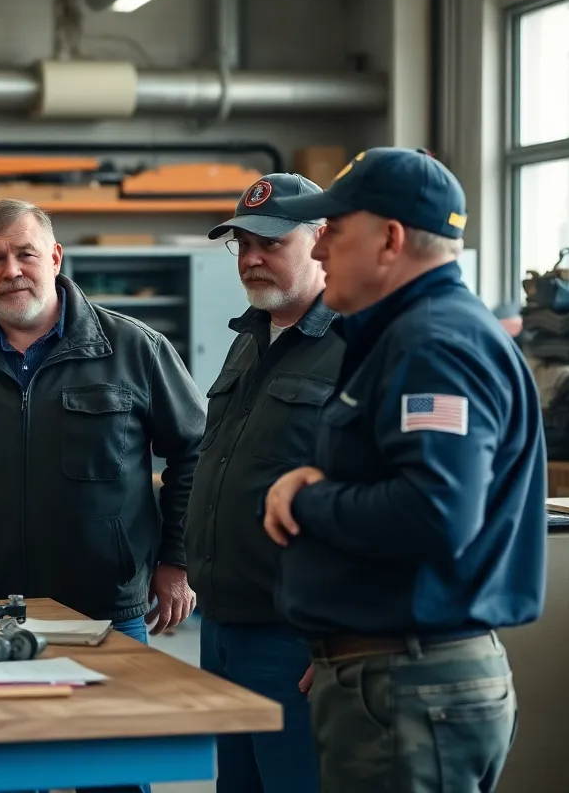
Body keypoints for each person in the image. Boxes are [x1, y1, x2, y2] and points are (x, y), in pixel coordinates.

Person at [261, 148, 546, 792]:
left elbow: (435, 512)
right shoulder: (405, 337)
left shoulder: (435, 347)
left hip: (410, 685)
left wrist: (308, 499)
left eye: (335, 228)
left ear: (390, 239)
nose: (320, 247)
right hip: (397, 681)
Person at [0, 198, 202, 641]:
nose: (11, 271)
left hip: (104, 605)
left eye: (25, 254)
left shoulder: (135, 349)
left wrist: (176, 560)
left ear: (53, 258)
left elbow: (196, 453)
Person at [184, 172, 341, 793]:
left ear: (320, 238)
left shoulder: (356, 347)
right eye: (242, 243)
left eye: (271, 243)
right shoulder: (248, 338)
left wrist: (341, 631)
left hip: (297, 637)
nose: (251, 258)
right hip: (223, 626)